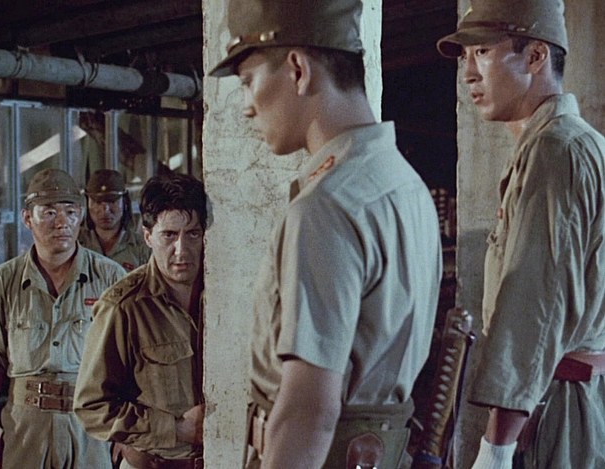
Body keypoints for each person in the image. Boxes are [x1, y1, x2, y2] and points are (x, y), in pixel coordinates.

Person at [209, 1, 443, 467]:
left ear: (297, 70)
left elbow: (308, 409)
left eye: (249, 81)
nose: (247, 108)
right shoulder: (404, 184)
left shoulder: (325, 206)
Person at [436, 1, 605, 468]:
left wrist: (496, 448)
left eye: (484, 52)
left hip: (554, 411)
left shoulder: (555, 150)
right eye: (465, 57)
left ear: (535, 57)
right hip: (559, 401)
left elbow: (534, 308)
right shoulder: (572, 144)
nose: (469, 74)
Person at [0, 168, 126, 469]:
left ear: (81, 216)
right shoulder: (4, 280)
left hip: (90, 425)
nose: (61, 222)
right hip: (25, 427)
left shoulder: (110, 278)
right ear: (27, 218)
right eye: (49, 212)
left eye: (70, 212)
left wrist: (125, 430)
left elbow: (130, 358)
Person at [74, 173, 208, 469]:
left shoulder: (225, 299)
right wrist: (175, 429)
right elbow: (92, 406)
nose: (181, 250)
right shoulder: (122, 307)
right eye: (169, 235)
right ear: (148, 236)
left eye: (193, 234)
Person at [79, 169, 151, 271]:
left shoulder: (142, 248)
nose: (105, 210)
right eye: (98, 202)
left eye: (112, 201)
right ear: (87, 203)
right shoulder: (76, 245)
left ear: (124, 202)